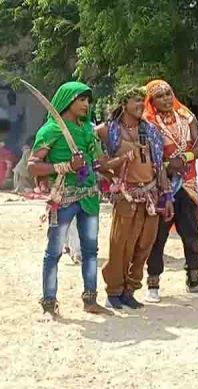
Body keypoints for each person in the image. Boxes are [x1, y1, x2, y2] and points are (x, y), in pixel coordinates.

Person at [27, 81, 112, 319]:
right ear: (68, 101)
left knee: (91, 251)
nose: (86, 105)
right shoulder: (51, 130)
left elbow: (98, 160)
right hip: (63, 198)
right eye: (81, 100)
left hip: (89, 198)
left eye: (88, 100)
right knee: (54, 252)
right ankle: (49, 304)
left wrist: (112, 164)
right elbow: (32, 166)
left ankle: (90, 300)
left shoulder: (87, 129)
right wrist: (65, 166)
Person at [95, 85, 173, 309]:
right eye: (135, 101)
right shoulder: (107, 130)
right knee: (120, 245)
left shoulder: (151, 131)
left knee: (144, 246)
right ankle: (114, 291)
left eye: (142, 101)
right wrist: (110, 176)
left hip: (151, 195)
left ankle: (130, 290)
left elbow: (159, 166)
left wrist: (166, 197)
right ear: (123, 104)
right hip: (126, 196)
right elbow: (94, 157)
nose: (140, 105)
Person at [144, 80, 198, 303]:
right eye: (160, 96)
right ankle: (153, 284)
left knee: (191, 231)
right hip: (163, 183)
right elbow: (145, 155)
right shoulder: (148, 122)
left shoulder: (186, 116)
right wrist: (167, 164)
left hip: (189, 182)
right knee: (159, 234)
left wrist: (185, 157)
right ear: (151, 100)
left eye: (168, 94)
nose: (165, 99)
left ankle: (194, 279)